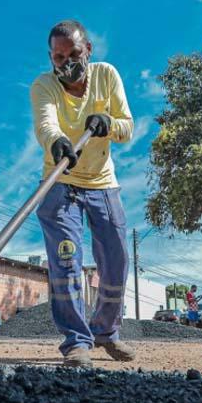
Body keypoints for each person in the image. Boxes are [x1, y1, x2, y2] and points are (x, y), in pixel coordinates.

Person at [31, 19, 135, 368]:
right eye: (59, 57)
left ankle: (105, 332)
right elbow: (46, 124)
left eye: (74, 53)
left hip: (103, 182)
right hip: (61, 182)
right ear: (51, 58)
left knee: (117, 259)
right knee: (66, 259)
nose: (67, 62)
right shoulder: (43, 85)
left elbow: (127, 127)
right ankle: (77, 341)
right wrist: (57, 141)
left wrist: (107, 123)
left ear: (88, 49)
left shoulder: (106, 75)